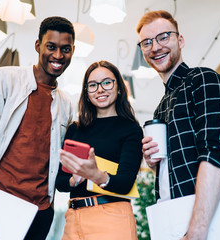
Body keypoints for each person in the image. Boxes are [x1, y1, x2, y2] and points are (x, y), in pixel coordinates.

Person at [136, 10, 220, 240]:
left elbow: (215, 154)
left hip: (211, 225)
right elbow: (176, 170)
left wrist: (196, 232)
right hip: (174, 221)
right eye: (147, 42)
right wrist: (155, 165)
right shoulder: (160, 108)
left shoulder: (203, 80)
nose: (155, 47)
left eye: (164, 37)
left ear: (180, 40)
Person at [0, 16, 75, 240]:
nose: (58, 56)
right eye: (51, 46)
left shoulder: (67, 105)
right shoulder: (4, 79)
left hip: (39, 215)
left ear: (72, 50)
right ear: (38, 45)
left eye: (65, 49)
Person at [55, 60, 143, 240]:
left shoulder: (131, 129)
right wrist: (73, 179)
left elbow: (125, 182)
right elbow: (59, 181)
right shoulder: (75, 129)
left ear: (119, 88)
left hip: (111, 218)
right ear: (86, 93)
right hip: (73, 218)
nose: (100, 89)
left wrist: (96, 175)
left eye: (107, 82)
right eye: (93, 85)